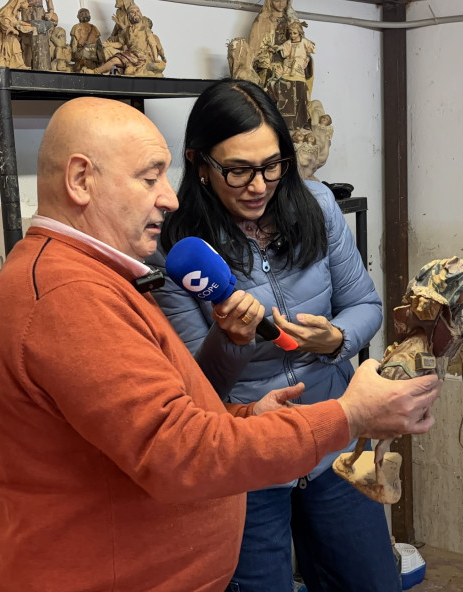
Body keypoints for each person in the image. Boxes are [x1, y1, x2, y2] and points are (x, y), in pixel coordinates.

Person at [0, 96, 442, 592]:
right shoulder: (71, 298)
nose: (167, 197)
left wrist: (259, 410)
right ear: (81, 179)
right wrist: (349, 415)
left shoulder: (89, 281)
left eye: (271, 166)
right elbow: (179, 449)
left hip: (287, 442)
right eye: (150, 177)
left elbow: (162, 419)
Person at [151, 79, 405, 592]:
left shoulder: (315, 204)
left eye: (272, 166)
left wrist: (334, 340)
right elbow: (199, 385)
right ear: (200, 163)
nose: (259, 185)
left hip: (334, 441)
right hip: (250, 458)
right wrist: (231, 339)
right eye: (238, 170)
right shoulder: (175, 247)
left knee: (372, 581)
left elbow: (367, 306)